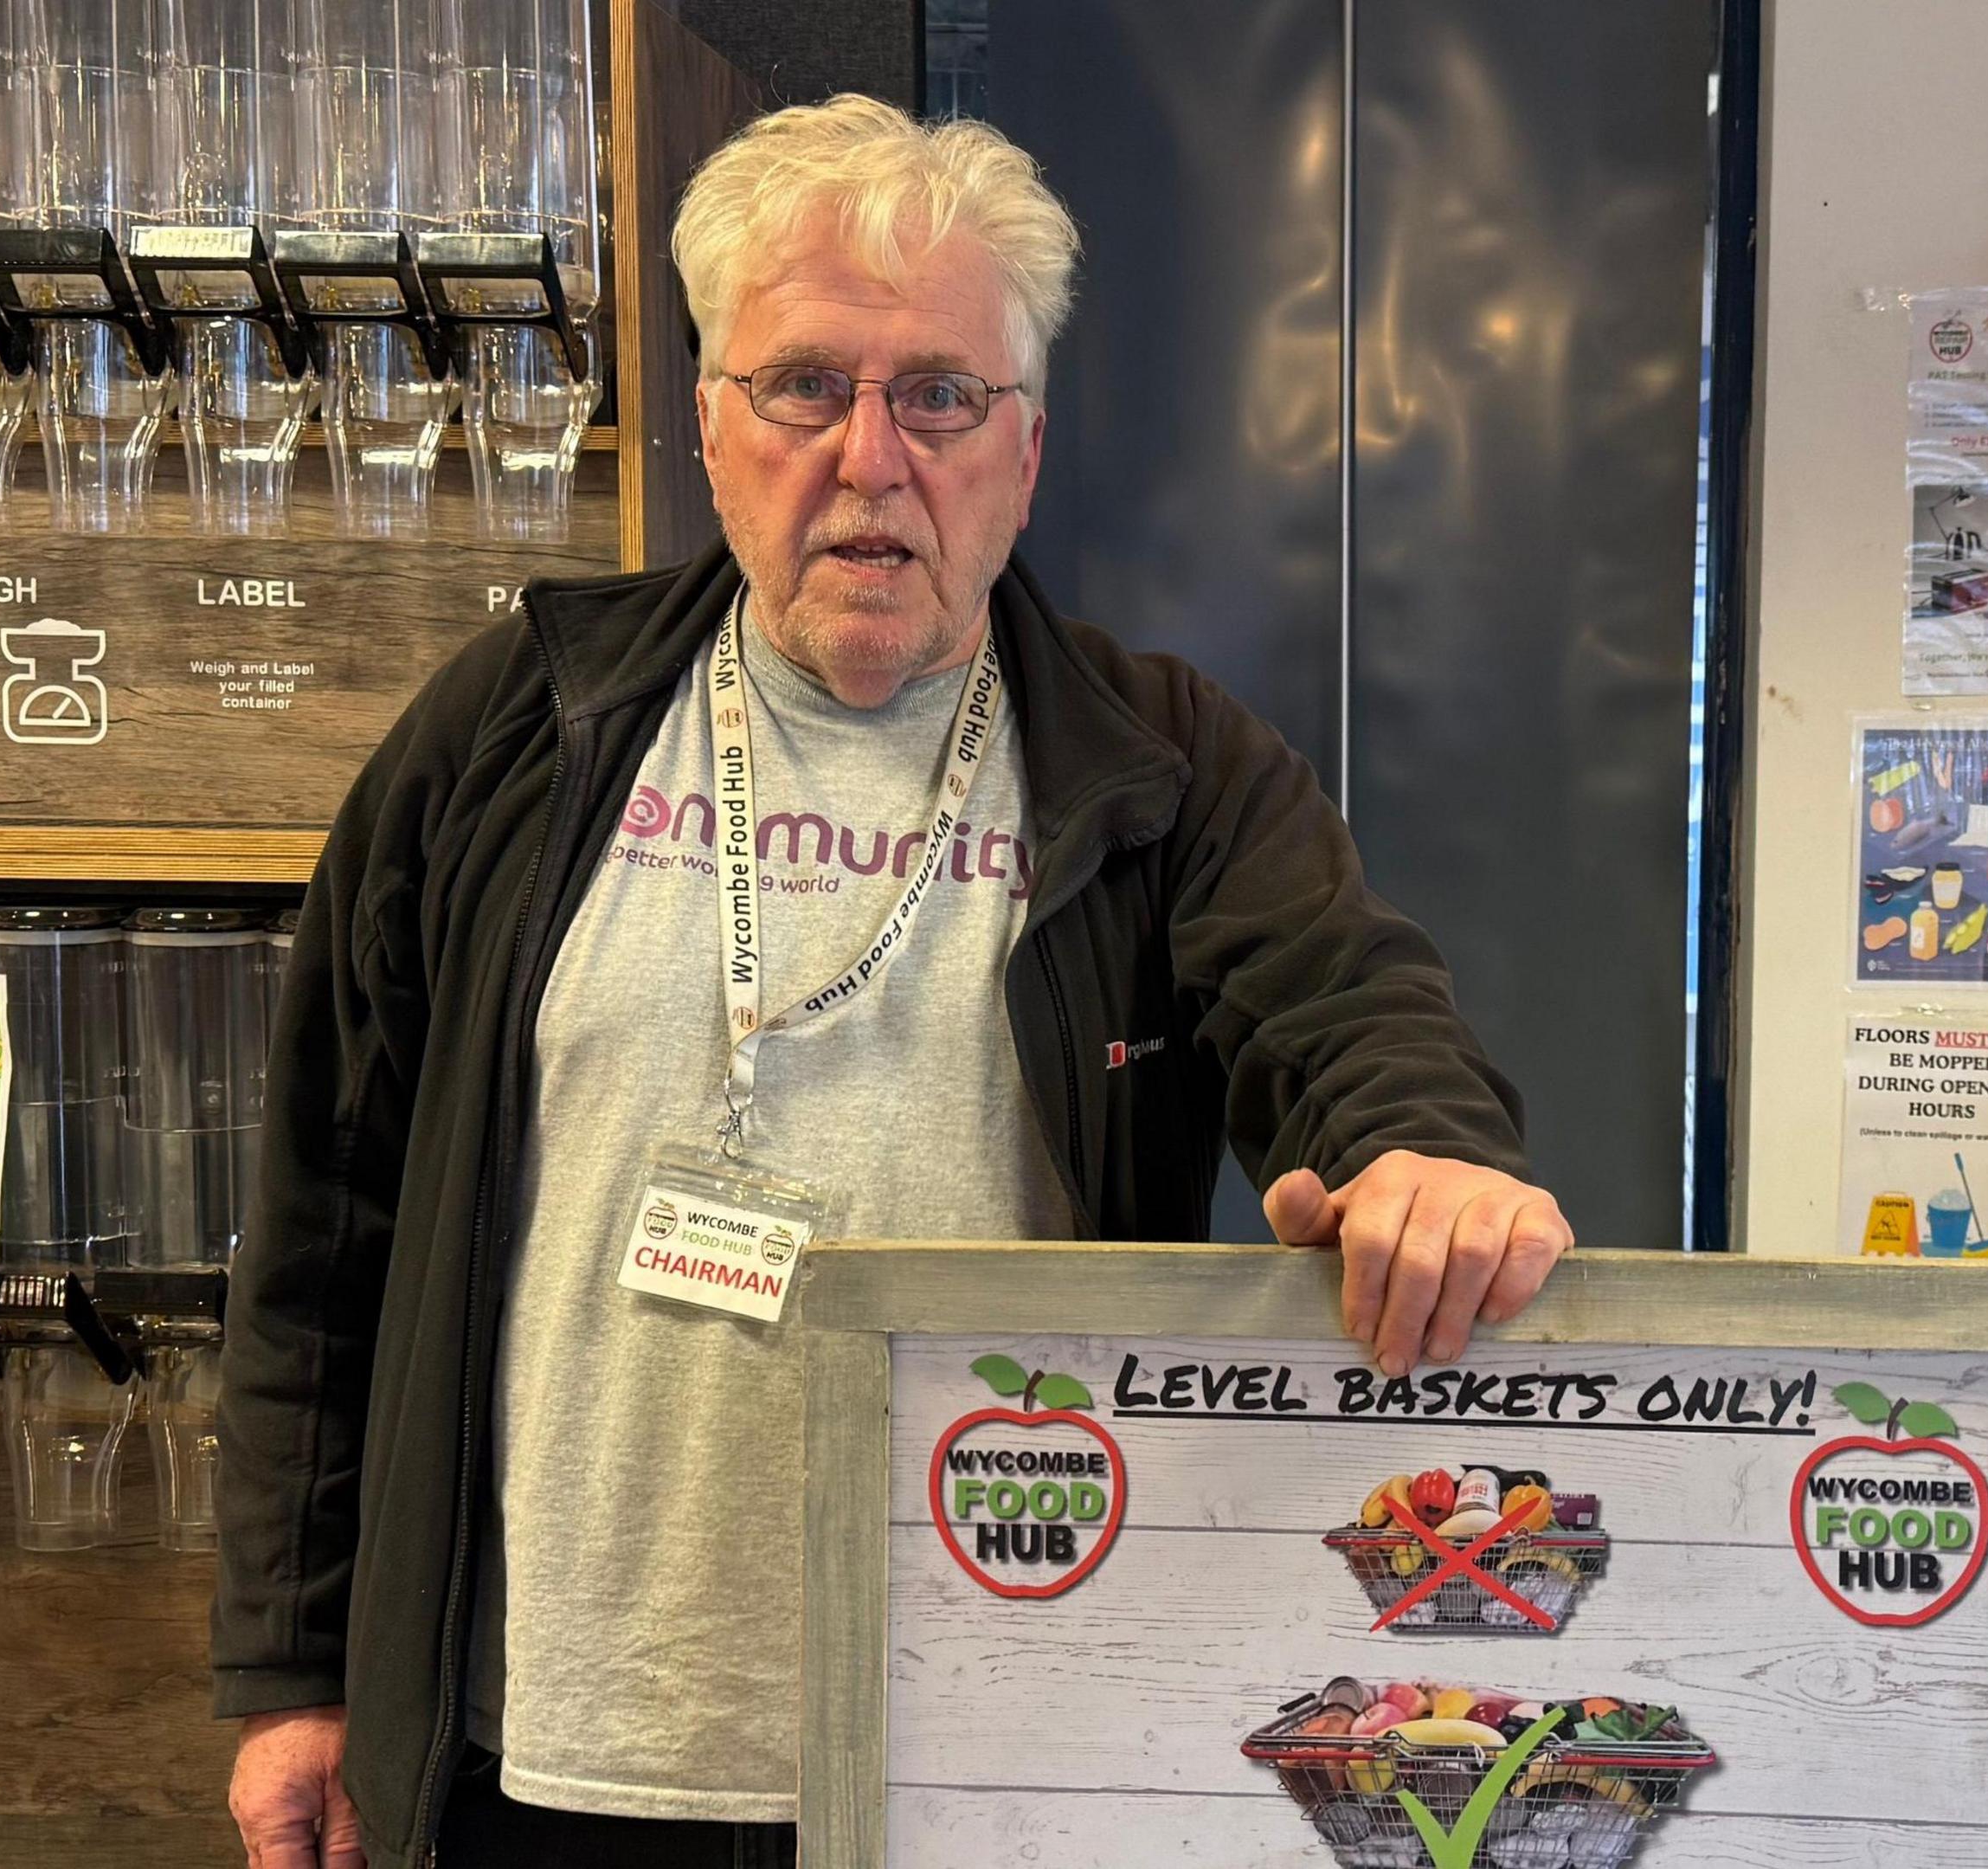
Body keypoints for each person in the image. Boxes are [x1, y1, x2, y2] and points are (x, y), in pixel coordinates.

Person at [216, 94, 1573, 1869]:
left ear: (1024, 448)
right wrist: (294, 1668)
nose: (871, 456)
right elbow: (328, 1221)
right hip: (541, 1749)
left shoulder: (1160, 766)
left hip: (998, 1741)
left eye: (939, 394)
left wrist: (1421, 1153)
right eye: (804, 386)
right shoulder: (514, 731)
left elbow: (1345, 1000)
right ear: (712, 421)